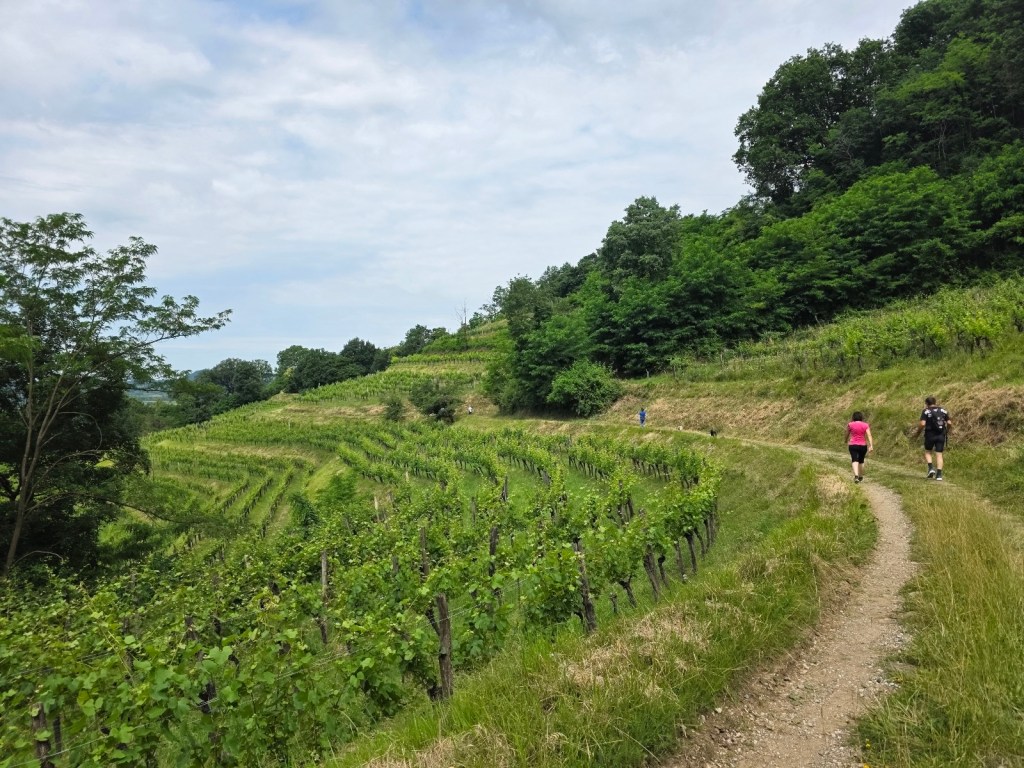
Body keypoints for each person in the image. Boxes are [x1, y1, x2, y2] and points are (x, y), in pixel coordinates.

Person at [914, 396, 951, 480]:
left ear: (926, 403)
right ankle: (939, 475)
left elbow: (923, 424)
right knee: (939, 454)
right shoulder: (943, 410)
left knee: (928, 452)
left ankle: (931, 468)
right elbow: (949, 422)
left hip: (930, 434)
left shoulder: (926, 411)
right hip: (941, 434)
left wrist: (917, 433)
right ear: (935, 402)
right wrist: (947, 431)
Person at [845, 411, 873, 483]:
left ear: (853, 417)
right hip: (863, 445)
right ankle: (860, 476)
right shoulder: (865, 425)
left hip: (853, 445)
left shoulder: (850, 424)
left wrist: (845, 440)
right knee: (861, 461)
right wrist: (871, 445)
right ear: (861, 417)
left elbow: (847, 434)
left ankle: (856, 476)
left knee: (854, 459)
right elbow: (869, 435)